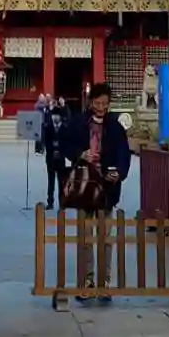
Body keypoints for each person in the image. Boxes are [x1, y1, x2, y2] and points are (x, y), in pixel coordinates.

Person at [61, 83, 132, 300]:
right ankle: (87, 281)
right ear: (91, 102)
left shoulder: (115, 127)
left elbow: (124, 154)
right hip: (85, 185)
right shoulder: (78, 123)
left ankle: (104, 282)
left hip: (107, 188)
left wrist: (119, 173)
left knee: (105, 238)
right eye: (97, 103)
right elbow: (64, 143)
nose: (101, 107)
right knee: (85, 237)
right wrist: (80, 154)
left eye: (104, 104)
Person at [40, 95, 69, 208]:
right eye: (53, 116)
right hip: (51, 156)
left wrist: (64, 106)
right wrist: (49, 108)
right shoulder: (48, 127)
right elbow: (45, 141)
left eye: (57, 116)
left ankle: (62, 202)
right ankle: (50, 201)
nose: (55, 118)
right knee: (51, 180)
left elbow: (69, 117)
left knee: (62, 181)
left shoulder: (64, 127)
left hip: (61, 156)